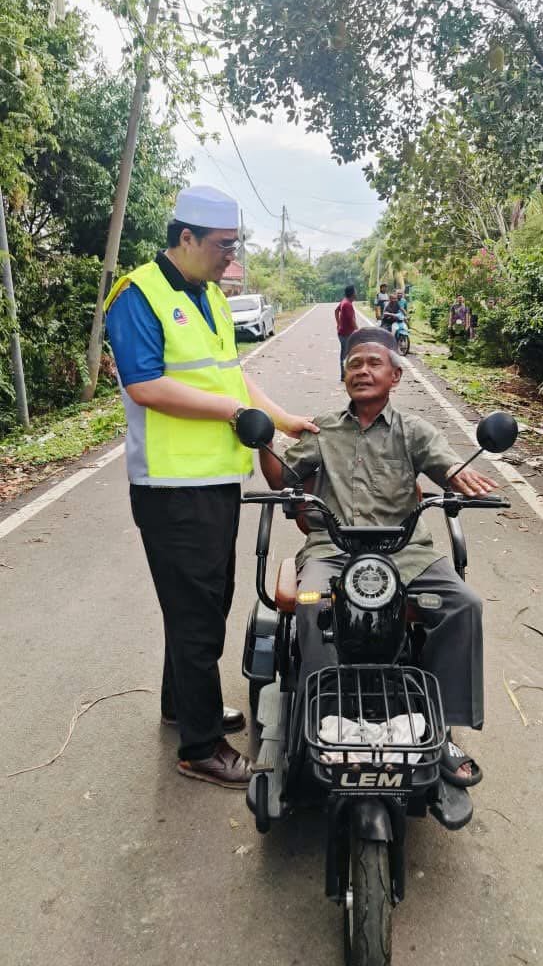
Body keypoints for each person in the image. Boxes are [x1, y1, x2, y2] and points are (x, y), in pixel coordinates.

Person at [104, 185, 317, 790]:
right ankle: (201, 746)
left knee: (207, 602)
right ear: (187, 238)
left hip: (217, 482)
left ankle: (183, 705)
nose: (231, 257)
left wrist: (279, 418)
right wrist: (230, 416)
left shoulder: (213, 298)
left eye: (235, 246)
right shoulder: (138, 295)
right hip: (172, 489)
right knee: (197, 613)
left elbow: (233, 378)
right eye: (223, 246)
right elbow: (145, 386)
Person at [259, 327, 498, 784]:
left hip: (405, 552)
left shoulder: (414, 432)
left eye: (373, 364)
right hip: (332, 550)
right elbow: (281, 478)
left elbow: (444, 462)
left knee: (464, 605)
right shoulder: (324, 428)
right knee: (311, 605)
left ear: (395, 376)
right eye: (354, 364)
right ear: (344, 376)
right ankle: (326, 721)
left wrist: (456, 476)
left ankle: (442, 728)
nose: (362, 371)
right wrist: (262, 438)